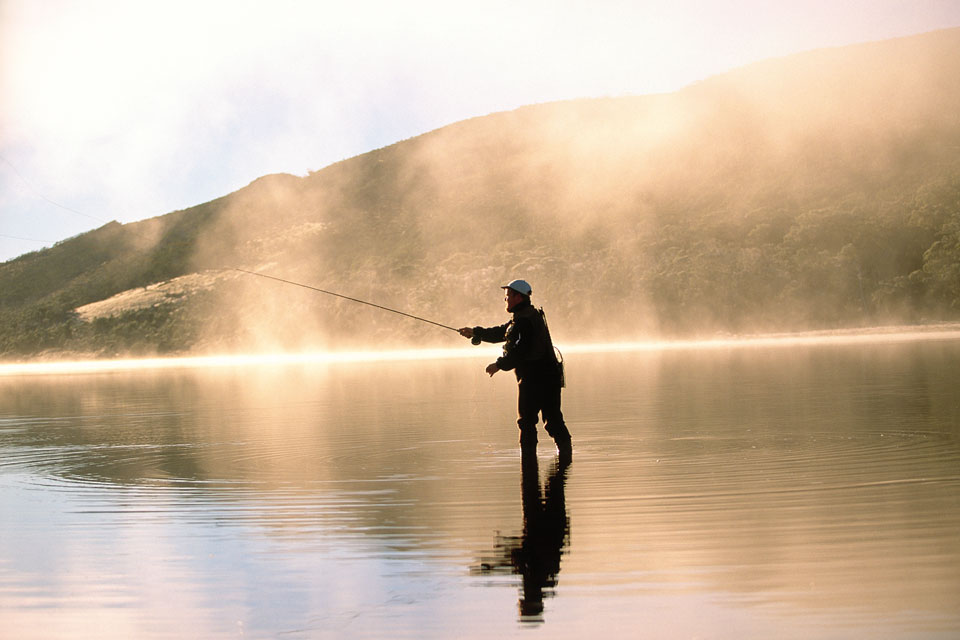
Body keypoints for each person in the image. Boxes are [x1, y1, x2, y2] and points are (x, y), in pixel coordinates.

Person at [459, 279, 572, 455]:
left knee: (527, 422)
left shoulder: (524, 321)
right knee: (553, 421)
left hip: (535, 379)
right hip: (548, 377)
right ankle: (564, 459)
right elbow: (501, 333)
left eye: (508, 296)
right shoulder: (526, 316)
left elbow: (520, 351)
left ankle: (529, 465)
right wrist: (475, 332)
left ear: (518, 297)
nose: (505, 300)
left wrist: (498, 365)